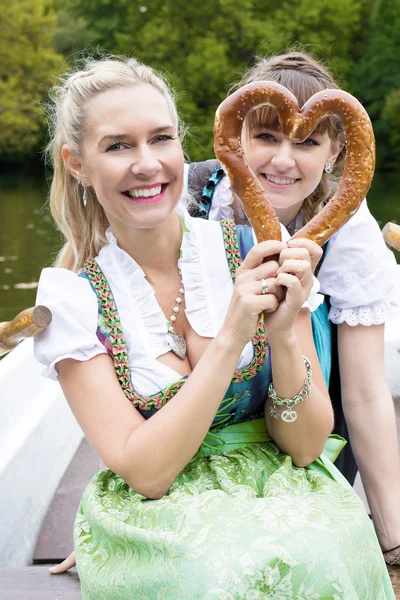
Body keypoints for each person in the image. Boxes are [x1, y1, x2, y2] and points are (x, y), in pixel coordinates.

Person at [34, 55, 395, 598]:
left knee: (330, 549)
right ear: (76, 163)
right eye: (117, 145)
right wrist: (231, 335)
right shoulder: (69, 300)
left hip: (285, 484)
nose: (148, 163)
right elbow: (147, 474)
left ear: (183, 145)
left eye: (162, 139)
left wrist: (280, 333)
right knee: (212, 574)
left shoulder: (257, 248)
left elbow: (307, 445)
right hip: (159, 510)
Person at [186, 50, 400, 568]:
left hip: (310, 432)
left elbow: (368, 394)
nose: (284, 160)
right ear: (234, 138)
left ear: (335, 152)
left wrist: (394, 539)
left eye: (306, 142)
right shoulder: (188, 198)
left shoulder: (347, 224)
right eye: (265, 137)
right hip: (194, 436)